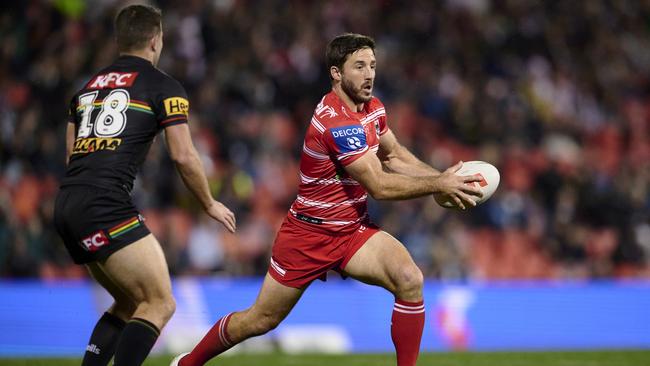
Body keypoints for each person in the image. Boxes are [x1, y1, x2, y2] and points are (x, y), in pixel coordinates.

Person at [171, 33, 481, 366]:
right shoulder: (334, 123)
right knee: (260, 320)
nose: (369, 74)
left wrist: (442, 179)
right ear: (336, 73)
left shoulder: (372, 108)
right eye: (359, 66)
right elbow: (378, 185)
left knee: (409, 279)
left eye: (373, 65)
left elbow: (394, 156)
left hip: (352, 232)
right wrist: (439, 184)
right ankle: (188, 363)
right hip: (308, 236)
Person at [53, 4, 236, 366]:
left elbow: (72, 157)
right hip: (106, 204)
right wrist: (209, 203)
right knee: (160, 302)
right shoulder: (163, 85)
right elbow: (183, 155)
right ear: (155, 40)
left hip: (68, 204)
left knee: (128, 304)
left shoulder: (86, 90)